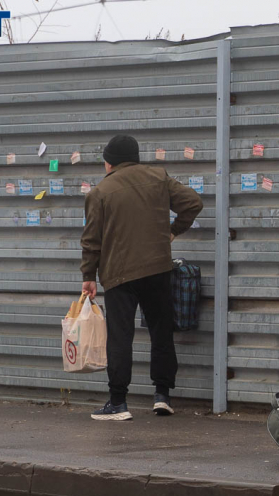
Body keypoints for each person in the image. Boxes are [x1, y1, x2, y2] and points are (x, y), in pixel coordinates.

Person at [81, 134, 203, 422]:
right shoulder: (158, 177)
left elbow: (91, 240)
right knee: (161, 331)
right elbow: (193, 203)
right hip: (157, 269)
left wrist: (88, 276)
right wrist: (172, 232)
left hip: (118, 274)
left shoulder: (99, 192)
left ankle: (118, 402)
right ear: (134, 158)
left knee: (120, 337)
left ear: (108, 162)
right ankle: (162, 396)